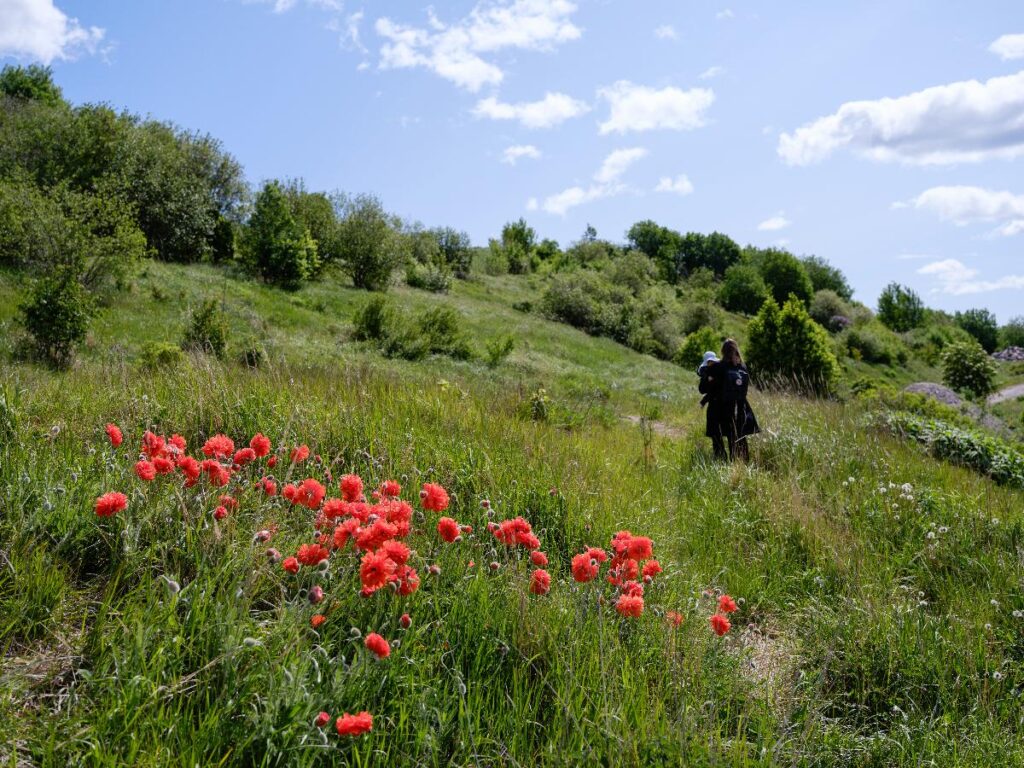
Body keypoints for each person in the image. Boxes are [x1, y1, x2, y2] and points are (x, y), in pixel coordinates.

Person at [714, 338, 760, 461]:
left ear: (723, 350)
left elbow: (715, 386)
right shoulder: (742, 366)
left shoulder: (720, 366)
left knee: (731, 435)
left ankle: (734, 463)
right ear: (736, 350)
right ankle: (745, 462)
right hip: (742, 405)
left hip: (725, 406)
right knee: (741, 435)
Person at [697, 350, 727, 460]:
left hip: (720, 406)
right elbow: (703, 390)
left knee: (718, 432)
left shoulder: (719, 372)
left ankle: (722, 456)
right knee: (715, 433)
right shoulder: (709, 373)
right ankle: (720, 456)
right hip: (716, 404)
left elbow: (714, 390)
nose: (710, 364)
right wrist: (706, 378)